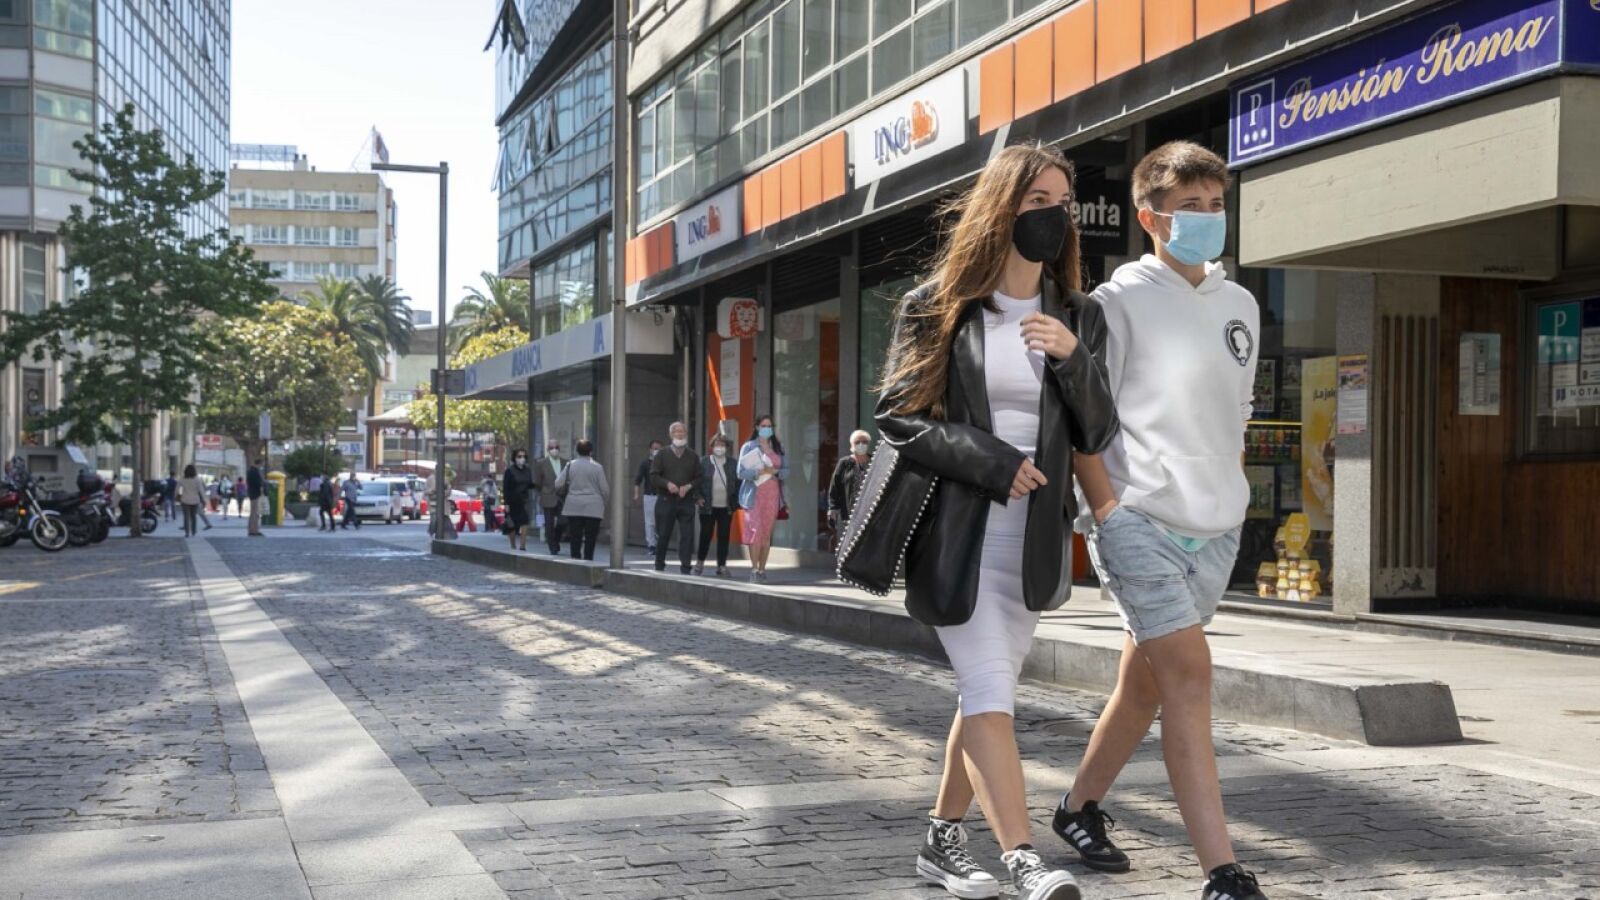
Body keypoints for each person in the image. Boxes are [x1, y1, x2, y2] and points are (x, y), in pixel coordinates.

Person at [875, 142, 1117, 900]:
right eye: (1037, 200)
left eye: (1062, 202)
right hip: (960, 535)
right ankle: (1023, 858)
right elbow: (898, 417)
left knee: (989, 694)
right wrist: (990, 460)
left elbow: (1098, 431)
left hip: (1033, 542)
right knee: (986, 688)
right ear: (1001, 208)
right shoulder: (939, 305)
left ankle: (941, 841)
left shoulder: (1080, 315)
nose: (1054, 215)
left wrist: (1074, 359)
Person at [1057, 142, 1267, 900]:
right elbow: (1082, 420)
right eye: (1189, 208)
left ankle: (1077, 808)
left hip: (1215, 525)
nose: (1207, 219)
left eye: (1215, 205)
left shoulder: (1241, 305)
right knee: (1188, 674)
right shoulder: (1114, 304)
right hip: (1137, 517)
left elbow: (1236, 415)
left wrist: (1230, 491)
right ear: (1149, 218)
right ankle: (1223, 872)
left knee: (1143, 684)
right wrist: (1106, 512)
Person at [736, 415, 786, 583]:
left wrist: (774, 471)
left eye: (769, 426)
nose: (767, 428)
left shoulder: (778, 447)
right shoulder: (748, 446)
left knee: (765, 534)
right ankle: (754, 569)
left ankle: (762, 570)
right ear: (757, 427)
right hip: (754, 494)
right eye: (763, 425)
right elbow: (740, 472)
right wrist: (758, 472)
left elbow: (787, 470)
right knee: (755, 531)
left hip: (772, 494)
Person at [650, 422, 701, 573]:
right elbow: (654, 476)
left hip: (686, 501)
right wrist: (667, 484)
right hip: (666, 500)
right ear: (671, 434)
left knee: (687, 535)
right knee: (663, 534)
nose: (680, 434)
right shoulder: (662, 454)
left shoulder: (693, 456)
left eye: (682, 431)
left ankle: (685, 567)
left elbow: (699, 477)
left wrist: (689, 486)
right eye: (677, 432)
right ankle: (659, 565)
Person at [555, 439, 608, 560]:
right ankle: (588, 560)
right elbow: (605, 489)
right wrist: (603, 502)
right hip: (594, 506)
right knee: (591, 537)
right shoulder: (598, 467)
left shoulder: (570, 465)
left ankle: (575, 560)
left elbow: (558, 483)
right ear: (591, 452)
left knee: (575, 536)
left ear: (577, 451)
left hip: (574, 505)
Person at [694, 433, 737, 576]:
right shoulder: (704, 462)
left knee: (724, 536)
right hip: (707, 506)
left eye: (722, 445)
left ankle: (722, 566)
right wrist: (698, 497)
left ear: (727, 447)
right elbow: (696, 481)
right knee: (705, 535)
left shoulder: (732, 463)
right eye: (717, 444)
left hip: (726, 507)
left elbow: (738, 483)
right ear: (712, 446)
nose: (720, 447)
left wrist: (735, 501)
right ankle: (699, 563)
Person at [827, 429, 874, 547]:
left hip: (871, 512)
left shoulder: (875, 462)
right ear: (852, 444)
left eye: (864, 442)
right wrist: (833, 509)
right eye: (857, 442)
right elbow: (835, 487)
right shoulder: (844, 463)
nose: (861, 444)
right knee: (852, 544)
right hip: (850, 512)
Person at [532, 440, 566, 554]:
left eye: (556, 447)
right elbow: (537, 482)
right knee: (549, 524)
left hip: (562, 497)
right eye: (552, 448)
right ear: (548, 450)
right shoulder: (541, 463)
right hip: (547, 496)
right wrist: (543, 491)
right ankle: (552, 547)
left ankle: (556, 539)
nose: (554, 450)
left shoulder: (565, 463)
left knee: (563, 521)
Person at [633, 440, 662, 555]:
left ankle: (660, 543)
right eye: (655, 448)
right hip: (650, 495)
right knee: (650, 522)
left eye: (659, 449)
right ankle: (652, 545)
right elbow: (638, 480)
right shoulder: (645, 463)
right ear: (650, 450)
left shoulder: (665, 463)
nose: (656, 451)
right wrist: (636, 494)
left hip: (663, 496)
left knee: (662, 521)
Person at [503, 448, 534, 551]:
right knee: (511, 524)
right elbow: (506, 488)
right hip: (512, 501)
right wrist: (506, 503)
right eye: (519, 456)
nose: (522, 458)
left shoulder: (527, 470)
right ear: (515, 458)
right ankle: (512, 545)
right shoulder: (509, 471)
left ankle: (522, 545)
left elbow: (530, 484)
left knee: (525, 521)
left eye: (524, 456)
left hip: (524, 501)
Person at [176, 464, 205, 537]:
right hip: (195, 500)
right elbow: (201, 490)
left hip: (185, 499)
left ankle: (187, 532)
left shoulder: (182, 479)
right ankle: (193, 531)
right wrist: (204, 500)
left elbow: (176, 489)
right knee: (193, 516)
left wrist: (175, 496)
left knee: (186, 516)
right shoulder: (197, 480)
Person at [245, 461, 265, 536]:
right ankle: (254, 530)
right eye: (261, 465)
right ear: (259, 464)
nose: (261, 466)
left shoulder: (250, 471)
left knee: (253, 513)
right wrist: (262, 486)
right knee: (255, 513)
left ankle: (251, 529)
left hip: (252, 493)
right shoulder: (255, 472)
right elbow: (258, 483)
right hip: (255, 494)